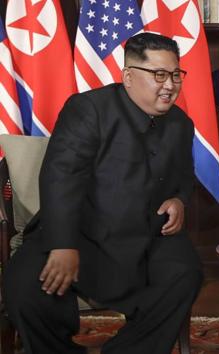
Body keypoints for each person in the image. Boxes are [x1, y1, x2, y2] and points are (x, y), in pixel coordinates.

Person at [3, 33, 202, 354]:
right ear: (128, 76)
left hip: (146, 236)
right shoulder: (88, 109)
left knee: (185, 274)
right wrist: (62, 245)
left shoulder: (181, 123)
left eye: (176, 74)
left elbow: (183, 175)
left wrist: (178, 198)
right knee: (24, 286)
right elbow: (60, 177)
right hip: (79, 231)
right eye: (159, 75)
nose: (170, 84)